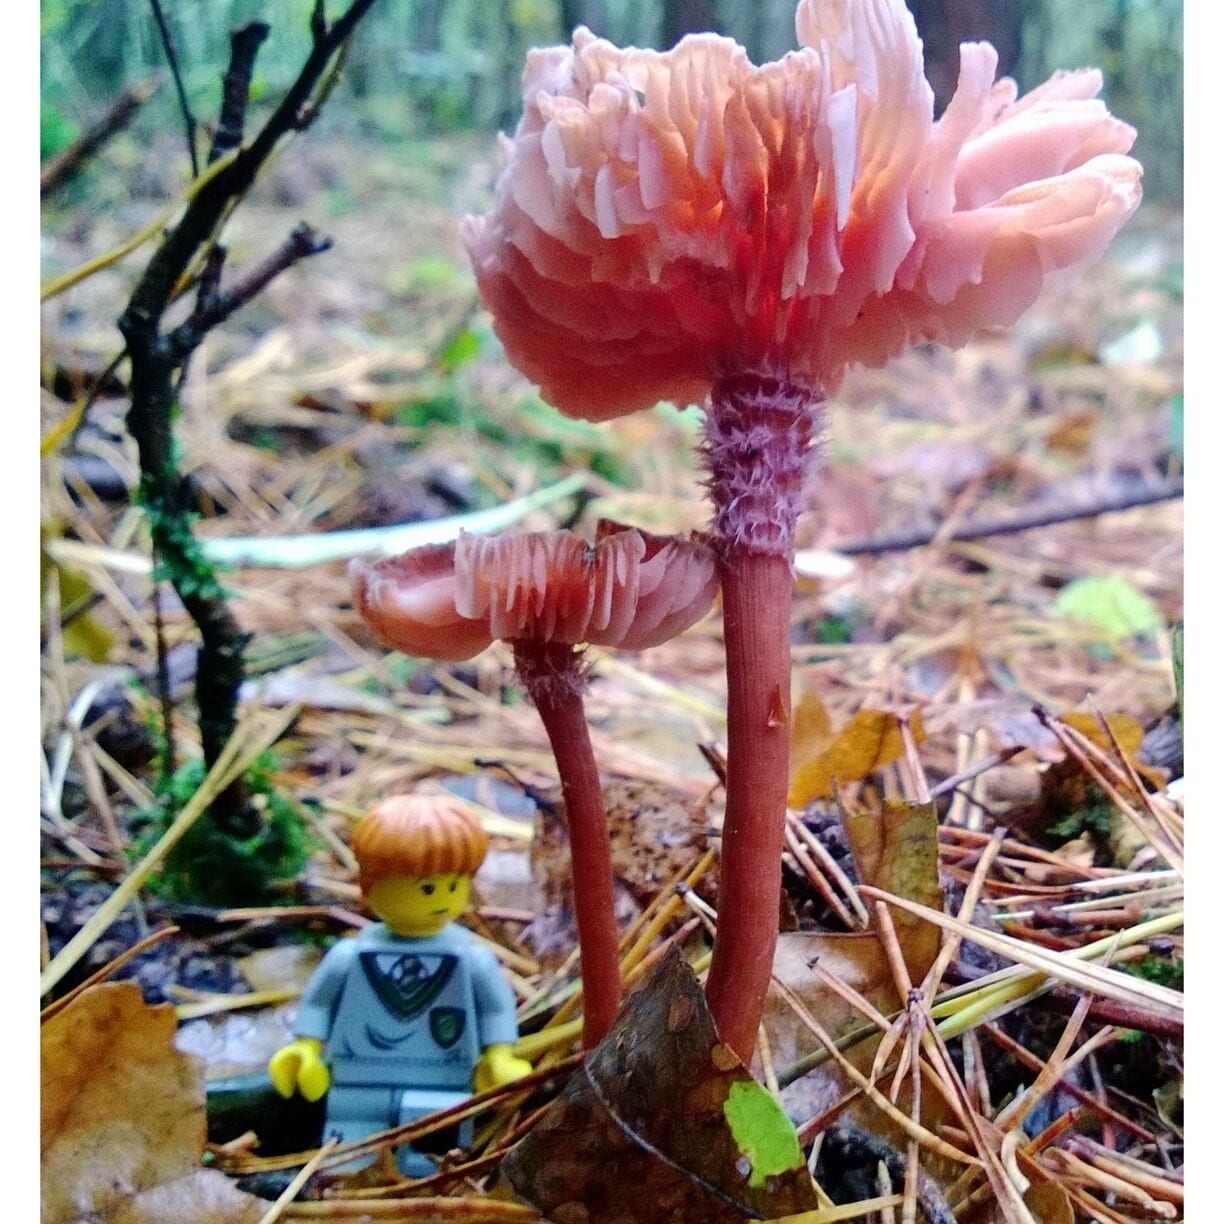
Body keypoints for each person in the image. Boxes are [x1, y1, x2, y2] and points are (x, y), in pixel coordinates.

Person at [269, 794, 532, 1176]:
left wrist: (499, 1054)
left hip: (443, 1079)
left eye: (454, 884)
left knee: (434, 1160)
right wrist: (306, 1048)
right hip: (358, 1078)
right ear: (371, 884)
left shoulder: (470, 958)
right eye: (427, 888)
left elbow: (494, 1007)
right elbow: (319, 1004)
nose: (442, 898)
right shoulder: (351, 955)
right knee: (350, 1158)